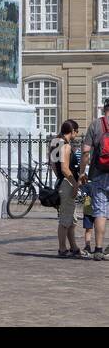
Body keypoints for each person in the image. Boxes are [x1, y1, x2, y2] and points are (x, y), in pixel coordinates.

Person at [80, 97, 109, 261]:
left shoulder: (96, 125)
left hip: (98, 174)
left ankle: (98, 249)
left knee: (100, 212)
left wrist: (82, 172)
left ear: (104, 109)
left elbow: (85, 152)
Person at [48, 119, 81, 257]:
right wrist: (74, 184)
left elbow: (54, 167)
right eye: (76, 131)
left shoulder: (55, 142)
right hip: (67, 183)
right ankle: (62, 249)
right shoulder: (66, 146)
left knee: (70, 219)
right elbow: (65, 169)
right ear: (72, 131)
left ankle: (74, 247)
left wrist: (60, 179)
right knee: (65, 220)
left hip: (61, 182)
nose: (77, 134)